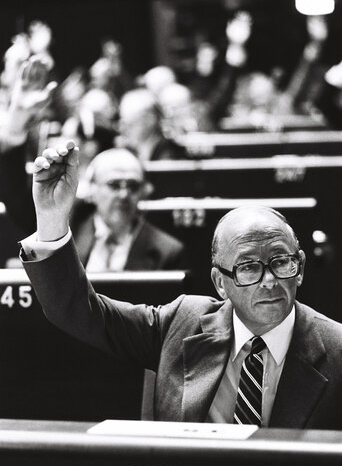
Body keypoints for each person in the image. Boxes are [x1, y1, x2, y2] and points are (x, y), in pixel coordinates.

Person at [19, 140, 342, 428]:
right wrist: (52, 219)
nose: (269, 281)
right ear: (220, 282)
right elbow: (76, 311)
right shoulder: (182, 322)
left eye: (282, 262)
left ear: (299, 268)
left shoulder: (337, 349)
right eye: (248, 268)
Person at [0, 56, 186, 272]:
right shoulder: (70, 226)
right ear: (92, 190)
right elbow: (16, 199)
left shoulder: (168, 251)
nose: (123, 195)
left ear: (145, 191)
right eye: (114, 185)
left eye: (133, 186)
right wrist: (16, 124)